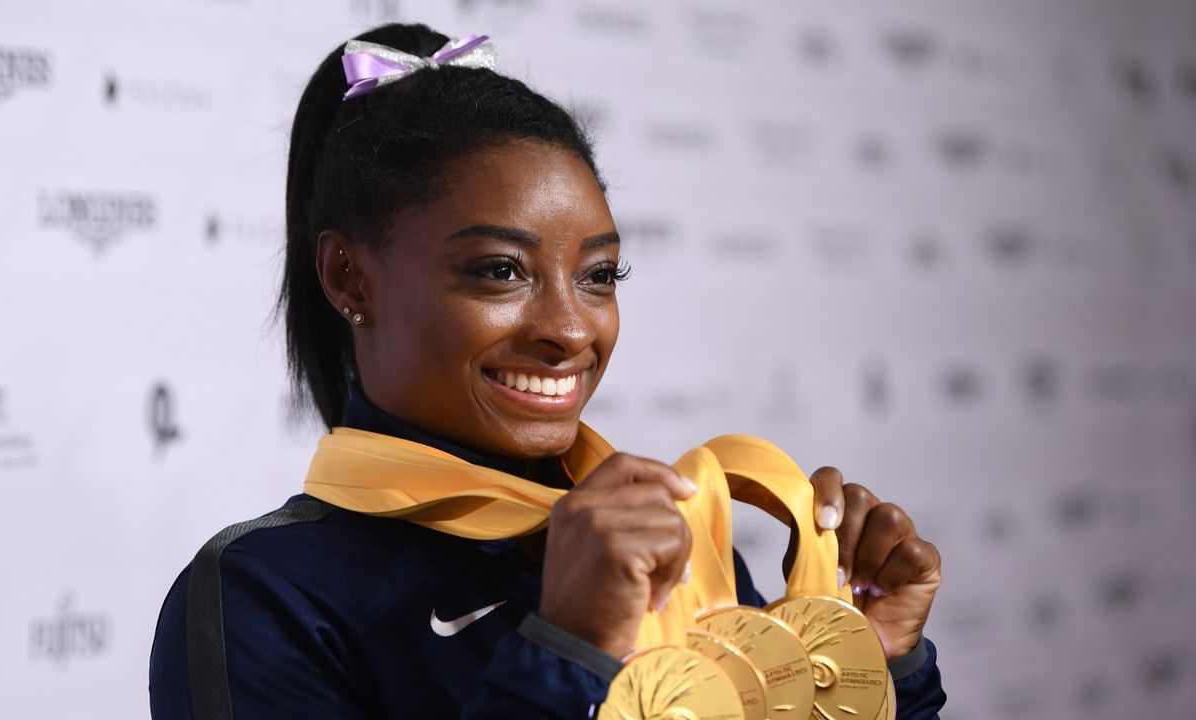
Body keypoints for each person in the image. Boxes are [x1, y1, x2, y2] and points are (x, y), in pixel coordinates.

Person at [148, 22, 946, 719]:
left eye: (599, 276)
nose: (569, 328)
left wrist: (875, 663)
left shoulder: (688, 547)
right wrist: (568, 650)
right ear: (350, 279)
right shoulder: (261, 597)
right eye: (501, 271)